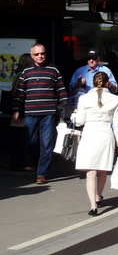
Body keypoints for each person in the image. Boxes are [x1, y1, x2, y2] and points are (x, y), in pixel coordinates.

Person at [11, 43, 68, 184]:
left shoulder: (53, 70)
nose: (40, 56)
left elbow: (61, 91)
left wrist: (64, 108)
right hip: (30, 113)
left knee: (46, 144)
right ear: (32, 56)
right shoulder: (26, 73)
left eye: (42, 53)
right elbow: (20, 94)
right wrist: (16, 110)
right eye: (36, 54)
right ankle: (38, 164)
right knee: (30, 142)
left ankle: (42, 174)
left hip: (48, 113)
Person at [71, 71, 118, 216]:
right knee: (102, 170)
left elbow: (80, 121)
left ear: (93, 83)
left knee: (91, 172)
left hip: (90, 134)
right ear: (107, 83)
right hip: (106, 135)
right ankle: (98, 195)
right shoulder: (115, 99)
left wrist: (73, 115)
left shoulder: (84, 98)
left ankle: (93, 206)